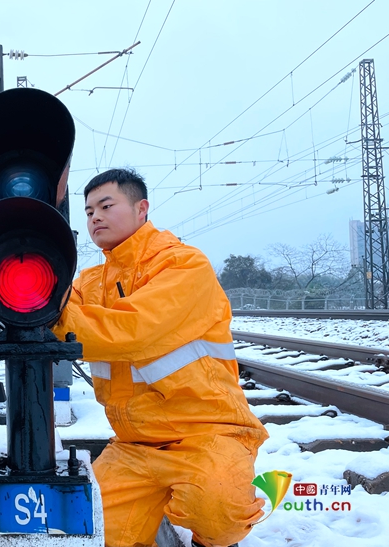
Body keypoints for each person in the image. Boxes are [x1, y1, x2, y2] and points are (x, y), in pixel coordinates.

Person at [52, 168, 269, 547]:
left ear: (142, 209)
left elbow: (131, 331)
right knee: (90, 528)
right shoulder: (89, 283)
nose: (95, 217)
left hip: (205, 433)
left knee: (219, 511)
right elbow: (53, 312)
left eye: (106, 205)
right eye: (88, 212)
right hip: (134, 445)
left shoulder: (183, 266)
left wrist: (53, 311)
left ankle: (208, 530)